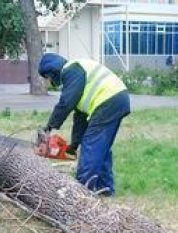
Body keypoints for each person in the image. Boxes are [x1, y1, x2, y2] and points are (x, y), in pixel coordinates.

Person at [38, 53, 131, 196]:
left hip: (108, 100)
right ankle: (104, 188)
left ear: (52, 71)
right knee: (102, 148)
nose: (49, 81)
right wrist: (73, 146)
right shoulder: (76, 71)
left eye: (48, 77)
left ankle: (81, 192)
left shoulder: (71, 70)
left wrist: (49, 128)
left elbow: (66, 103)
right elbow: (80, 118)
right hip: (117, 98)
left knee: (91, 145)